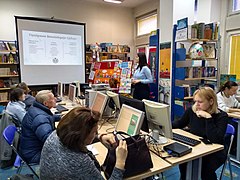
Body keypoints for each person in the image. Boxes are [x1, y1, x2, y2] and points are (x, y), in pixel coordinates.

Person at [40, 107, 128, 180]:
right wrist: (120, 162)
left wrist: (100, 137)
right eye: (94, 132)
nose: (96, 133)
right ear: (83, 135)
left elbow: (76, 138)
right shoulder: (79, 162)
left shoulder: (54, 135)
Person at [172, 87, 228, 180]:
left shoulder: (221, 116)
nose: (196, 104)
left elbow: (216, 139)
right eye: (195, 101)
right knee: (184, 163)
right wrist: (163, 124)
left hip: (215, 151)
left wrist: (208, 118)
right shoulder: (191, 111)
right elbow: (179, 124)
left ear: (211, 102)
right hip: (197, 147)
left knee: (205, 171)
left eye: (200, 102)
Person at [19, 90, 61, 164]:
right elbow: (49, 140)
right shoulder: (40, 117)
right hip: (34, 154)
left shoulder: (36, 108)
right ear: (45, 103)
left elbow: (48, 117)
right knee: (70, 154)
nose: (56, 99)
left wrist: (62, 117)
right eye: (53, 98)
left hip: (29, 149)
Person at [217, 80, 240, 155]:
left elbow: (237, 104)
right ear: (226, 89)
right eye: (233, 91)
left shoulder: (231, 96)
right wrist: (236, 110)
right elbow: (224, 109)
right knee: (235, 126)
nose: (235, 93)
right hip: (222, 118)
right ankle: (232, 149)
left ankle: (236, 147)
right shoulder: (219, 96)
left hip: (230, 117)